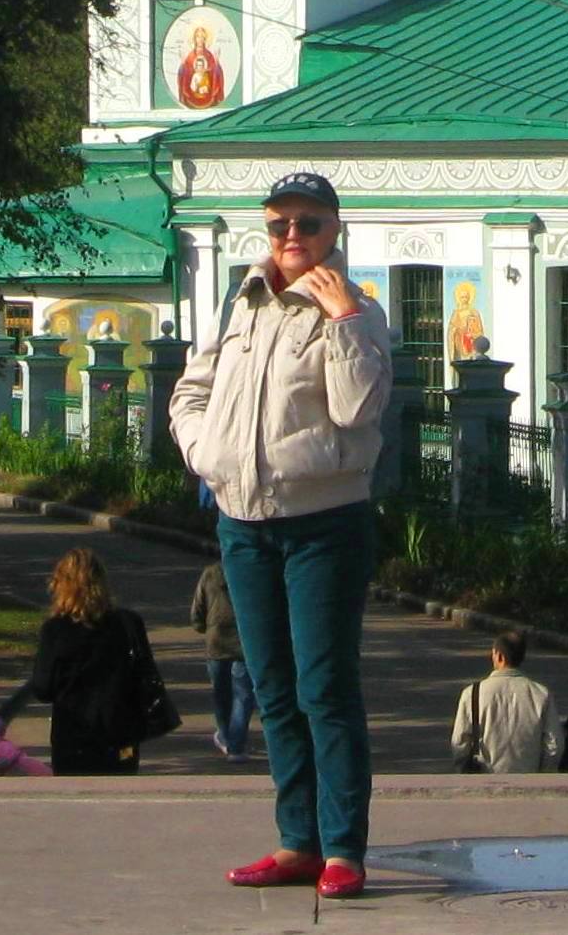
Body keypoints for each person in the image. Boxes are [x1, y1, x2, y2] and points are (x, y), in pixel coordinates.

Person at [170, 168, 393, 902]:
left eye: (307, 223)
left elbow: (358, 410)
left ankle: (342, 850)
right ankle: (295, 840)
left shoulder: (358, 308)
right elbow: (190, 391)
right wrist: (208, 453)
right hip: (244, 524)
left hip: (322, 525)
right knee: (271, 687)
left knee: (323, 686)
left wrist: (345, 326)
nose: (291, 237)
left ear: (335, 230)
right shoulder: (241, 303)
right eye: (278, 224)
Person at [0, 547, 156, 776]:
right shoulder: (129, 624)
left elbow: (43, 688)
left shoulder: (56, 629)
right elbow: (145, 678)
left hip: (73, 735)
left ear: (62, 586)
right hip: (122, 734)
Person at [449, 631, 558, 775]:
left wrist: (463, 773)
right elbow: (553, 745)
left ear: (499, 656)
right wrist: (544, 775)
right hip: (530, 782)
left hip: (484, 780)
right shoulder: (541, 694)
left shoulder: (472, 694)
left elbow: (460, 743)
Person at [192, 559, 253, 761]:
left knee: (221, 693)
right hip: (244, 640)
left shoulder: (210, 574)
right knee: (243, 695)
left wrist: (200, 625)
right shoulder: (249, 570)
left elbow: (198, 608)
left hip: (216, 641)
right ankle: (236, 746)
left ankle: (226, 737)